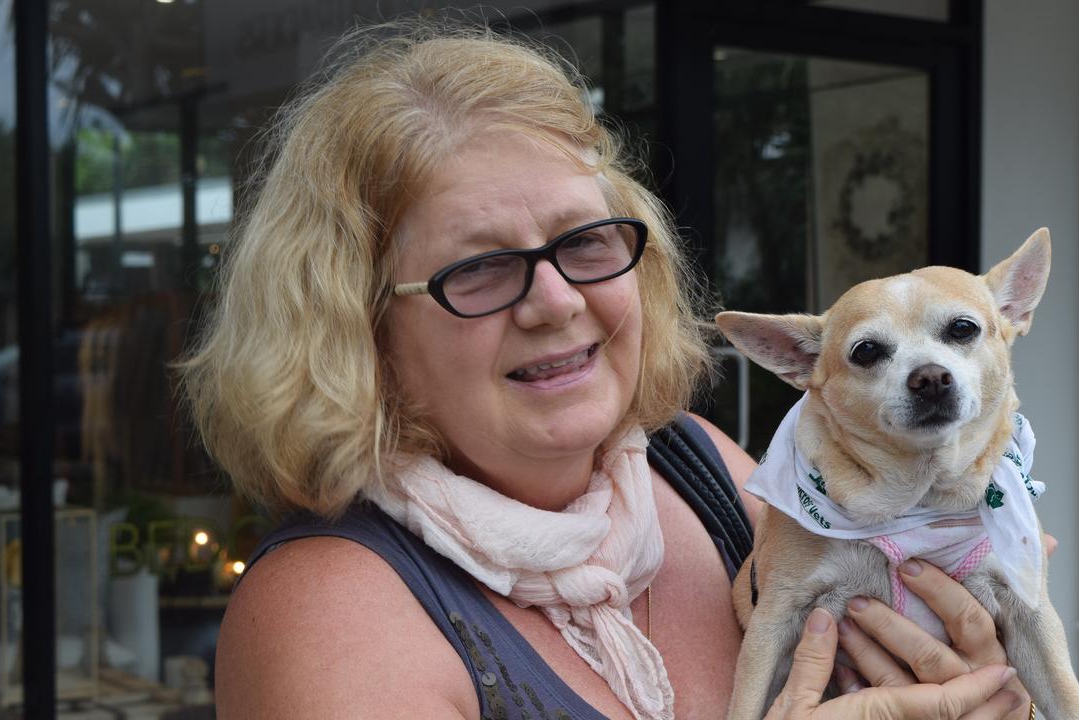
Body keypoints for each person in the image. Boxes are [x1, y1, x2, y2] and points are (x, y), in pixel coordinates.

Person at [181, 20, 1035, 720]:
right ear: (355, 327)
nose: (554, 301)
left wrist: (990, 690)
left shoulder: (703, 468)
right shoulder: (329, 612)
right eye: (476, 268)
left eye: (585, 242)